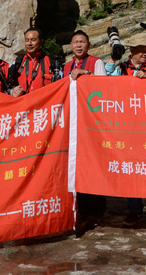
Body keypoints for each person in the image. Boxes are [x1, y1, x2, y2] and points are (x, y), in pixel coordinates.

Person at [106, 44, 146, 227]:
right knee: (132, 169)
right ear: (131, 52)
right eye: (141, 51)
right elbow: (107, 81)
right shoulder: (121, 68)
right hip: (128, 127)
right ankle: (134, 210)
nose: (145, 55)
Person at [63, 29, 107, 235]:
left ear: (89, 45)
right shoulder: (66, 66)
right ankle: (81, 209)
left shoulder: (96, 63)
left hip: (92, 123)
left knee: (94, 166)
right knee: (77, 167)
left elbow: (104, 86)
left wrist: (85, 74)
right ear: (71, 46)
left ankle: (97, 211)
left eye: (82, 42)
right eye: (75, 42)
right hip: (74, 124)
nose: (79, 45)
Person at [8, 27, 63, 96]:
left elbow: (62, 86)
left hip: (44, 105)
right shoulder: (18, 62)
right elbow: (6, 83)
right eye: (27, 40)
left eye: (33, 40)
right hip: (23, 104)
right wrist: (12, 91)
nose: (29, 43)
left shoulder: (52, 62)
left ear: (41, 41)